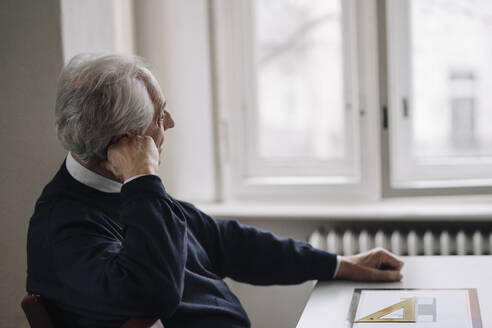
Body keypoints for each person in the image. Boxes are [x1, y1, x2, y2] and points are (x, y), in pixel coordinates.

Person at [26, 54, 404, 328]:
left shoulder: (122, 191)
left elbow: (225, 242)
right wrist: (142, 179)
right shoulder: (66, 224)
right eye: (160, 116)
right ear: (127, 142)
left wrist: (338, 264)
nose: (170, 123)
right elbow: (154, 293)